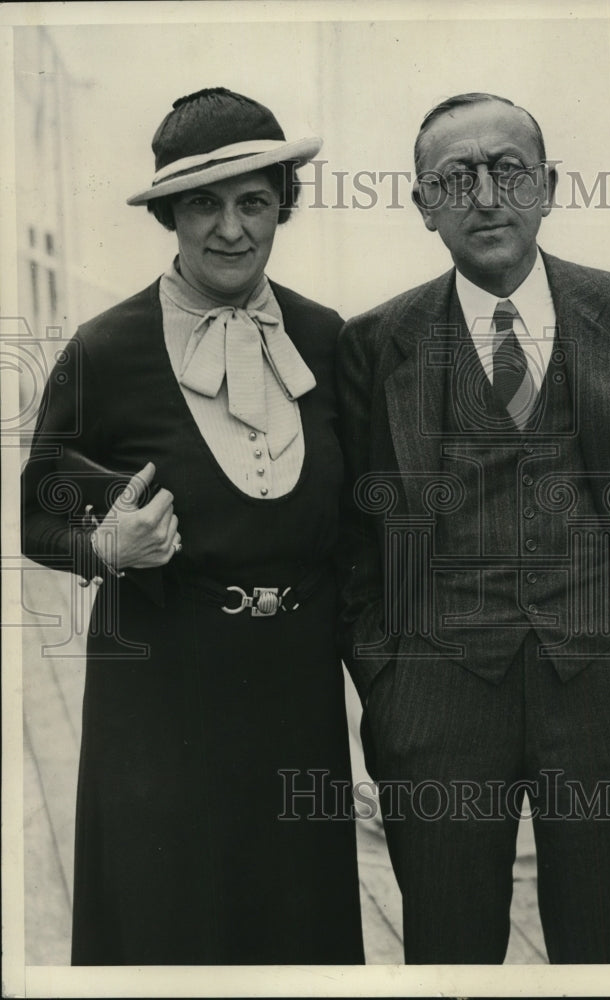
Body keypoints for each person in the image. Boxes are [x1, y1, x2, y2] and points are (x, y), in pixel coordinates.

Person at [336, 92, 610, 964]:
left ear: (548, 185)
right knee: (450, 956)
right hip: (436, 701)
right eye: (455, 178)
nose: (485, 195)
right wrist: (387, 679)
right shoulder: (377, 340)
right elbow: (358, 531)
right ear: (422, 204)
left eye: (508, 170)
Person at [22, 87, 364, 966]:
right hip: (162, 688)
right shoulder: (105, 349)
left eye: (254, 202)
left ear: (281, 207)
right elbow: (36, 511)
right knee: (169, 922)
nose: (230, 229)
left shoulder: (327, 341)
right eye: (204, 205)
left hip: (295, 686)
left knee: (294, 924)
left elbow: (363, 520)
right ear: (170, 214)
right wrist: (102, 546)